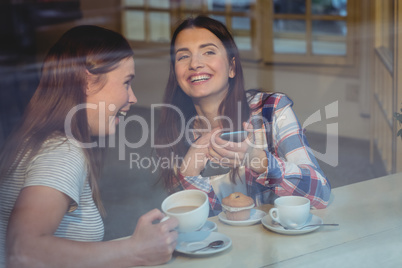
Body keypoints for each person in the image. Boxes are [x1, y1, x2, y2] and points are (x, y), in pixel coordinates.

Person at [0, 25, 178, 268]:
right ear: (87, 81)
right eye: (126, 83)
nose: (133, 98)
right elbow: (22, 250)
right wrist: (136, 251)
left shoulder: (33, 140)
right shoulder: (63, 151)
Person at [155, 15, 331, 216]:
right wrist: (189, 174)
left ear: (231, 67)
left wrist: (258, 159)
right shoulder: (175, 133)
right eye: (183, 56)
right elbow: (199, 224)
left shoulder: (271, 110)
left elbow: (321, 194)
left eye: (208, 52)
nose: (195, 63)